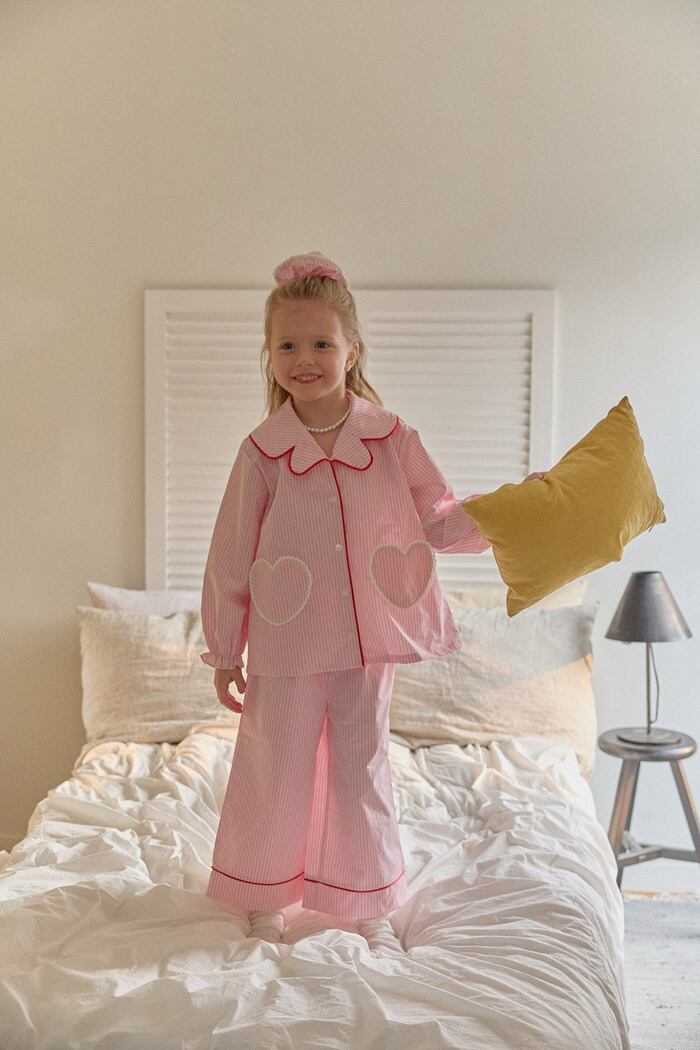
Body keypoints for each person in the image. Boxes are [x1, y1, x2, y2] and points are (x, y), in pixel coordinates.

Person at [200, 251, 547, 943]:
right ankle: (265, 896)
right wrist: (224, 650)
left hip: (367, 643)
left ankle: (366, 903)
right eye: (287, 346)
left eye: (321, 344)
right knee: (275, 765)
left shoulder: (391, 439)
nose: (305, 359)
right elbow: (231, 554)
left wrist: (514, 511)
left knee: (360, 771)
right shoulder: (263, 452)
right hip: (288, 641)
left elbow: (438, 519)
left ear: (352, 350)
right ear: (269, 356)